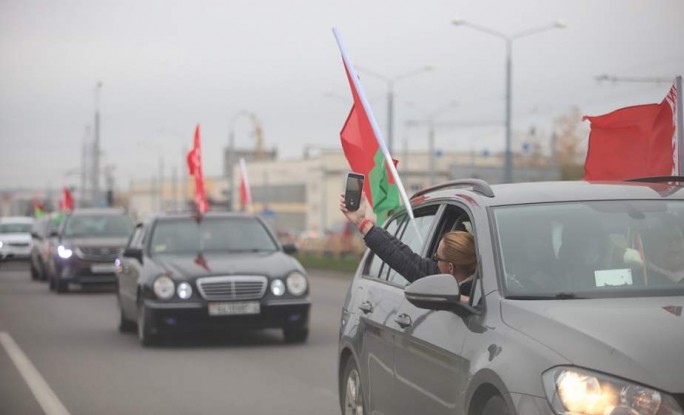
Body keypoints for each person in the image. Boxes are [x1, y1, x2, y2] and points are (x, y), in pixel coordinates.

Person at [339, 194, 477, 301]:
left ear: (451, 267)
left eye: (436, 258)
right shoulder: (489, 285)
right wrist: (361, 222)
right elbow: (402, 257)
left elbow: (404, 260)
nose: (433, 261)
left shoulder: (481, 298)